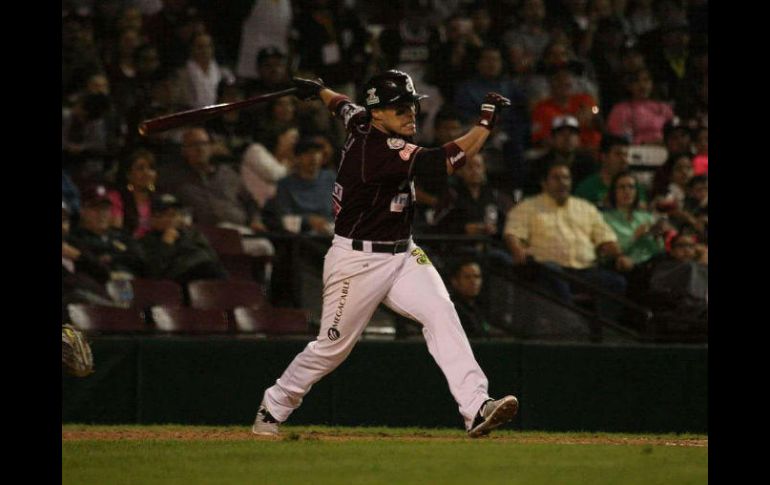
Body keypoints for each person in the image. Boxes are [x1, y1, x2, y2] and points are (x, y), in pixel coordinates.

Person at [252, 70, 519, 438]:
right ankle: (274, 406)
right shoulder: (378, 150)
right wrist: (486, 121)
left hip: (403, 253)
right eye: (399, 109)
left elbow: (344, 107)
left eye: (411, 105)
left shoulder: (363, 120)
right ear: (379, 114)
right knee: (331, 349)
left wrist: (321, 90)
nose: (410, 114)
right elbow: (446, 161)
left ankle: (476, 406)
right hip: (357, 261)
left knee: (441, 313)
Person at [503, 161, 633, 319]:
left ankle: (604, 330)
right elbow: (513, 233)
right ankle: (572, 324)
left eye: (566, 178)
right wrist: (517, 250)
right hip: (548, 270)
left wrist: (619, 256)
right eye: (556, 178)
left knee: (616, 282)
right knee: (551, 271)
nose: (563, 182)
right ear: (544, 183)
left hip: (584, 271)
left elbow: (605, 237)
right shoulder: (528, 207)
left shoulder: (585, 208)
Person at [139, 193, 228, 285]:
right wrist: (166, 244)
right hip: (180, 279)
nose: (173, 219)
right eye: (167, 214)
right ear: (153, 219)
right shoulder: (146, 242)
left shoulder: (193, 234)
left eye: (175, 214)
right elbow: (154, 273)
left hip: (207, 270)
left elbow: (212, 256)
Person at [574, 134, 647, 208]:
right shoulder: (586, 188)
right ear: (604, 157)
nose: (624, 160)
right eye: (618, 154)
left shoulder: (634, 185)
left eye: (626, 155)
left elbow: (643, 208)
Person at [605, 68, 674, 145]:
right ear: (629, 86)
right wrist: (646, 143)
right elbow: (618, 140)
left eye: (646, 80)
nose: (642, 85)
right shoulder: (620, 110)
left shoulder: (663, 107)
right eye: (637, 81)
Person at [107, 148, 158, 239]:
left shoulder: (159, 198)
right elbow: (115, 231)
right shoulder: (116, 198)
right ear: (129, 174)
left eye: (151, 168)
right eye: (140, 168)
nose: (147, 173)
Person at [448, 259, 507, 339]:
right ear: (455, 282)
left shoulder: (478, 307)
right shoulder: (452, 308)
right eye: (467, 277)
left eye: (477, 276)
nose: (473, 281)